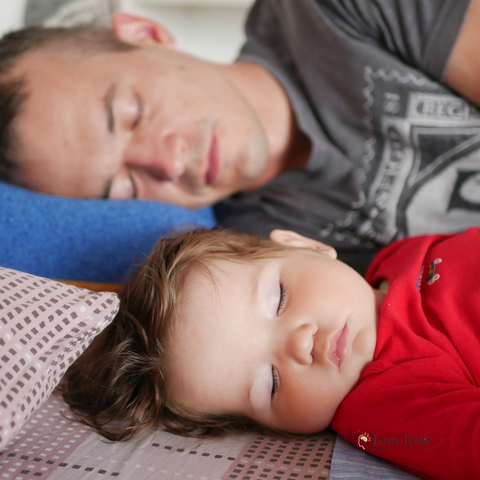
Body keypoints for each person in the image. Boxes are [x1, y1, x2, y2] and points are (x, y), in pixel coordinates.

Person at [2, 0, 480, 273]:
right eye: (123, 187)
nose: (165, 165)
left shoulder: (334, 12)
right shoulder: (256, 254)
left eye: (131, 115)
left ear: (145, 31)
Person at [63, 226, 480, 480]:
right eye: (272, 384)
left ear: (307, 245)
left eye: (279, 298)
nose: (300, 344)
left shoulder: (400, 256)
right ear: (281, 429)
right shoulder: (385, 407)